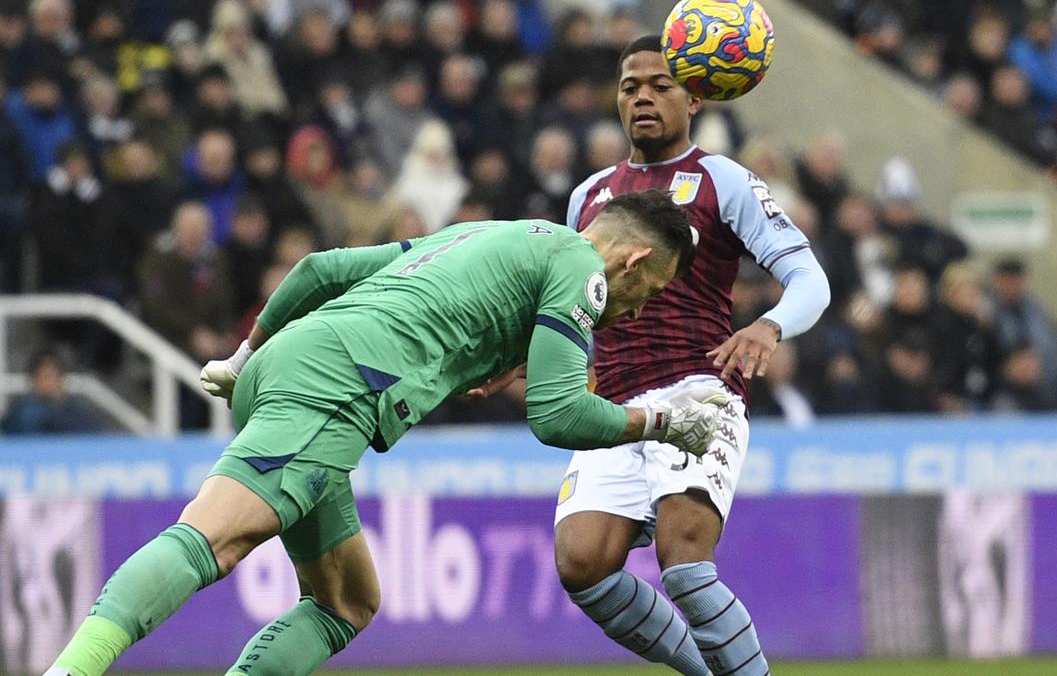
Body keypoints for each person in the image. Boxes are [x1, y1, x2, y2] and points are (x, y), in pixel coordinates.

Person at [44, 191, 728, 676]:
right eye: (656, 290)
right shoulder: (582, 273)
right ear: (635, 260)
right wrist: (664, 422)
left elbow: (318, 270)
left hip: (289, 361)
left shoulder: (498, 233)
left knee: (346, 602)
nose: (641, 312)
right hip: (338, 387)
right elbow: (557, 415)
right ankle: (74, 668)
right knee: (214, 538)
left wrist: (243, 356)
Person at [545, 36, 830, 676]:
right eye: (629, 86)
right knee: (581, 564)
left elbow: (812, 280)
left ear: (695, 96)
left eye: (660, 85)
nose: (642, 96)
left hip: (696, 392)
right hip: (613, 404)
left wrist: (769, 327)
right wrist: (538, 355)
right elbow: (573, 300)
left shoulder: (722, 180)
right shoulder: (588, 195)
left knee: (685, 564)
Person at [1, 349, 101, 435]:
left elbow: (93, 439)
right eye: (45, 377)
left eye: (55, 376)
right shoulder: (23, 414)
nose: (50, 382)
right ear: (35, 379)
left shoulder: (75, 411)